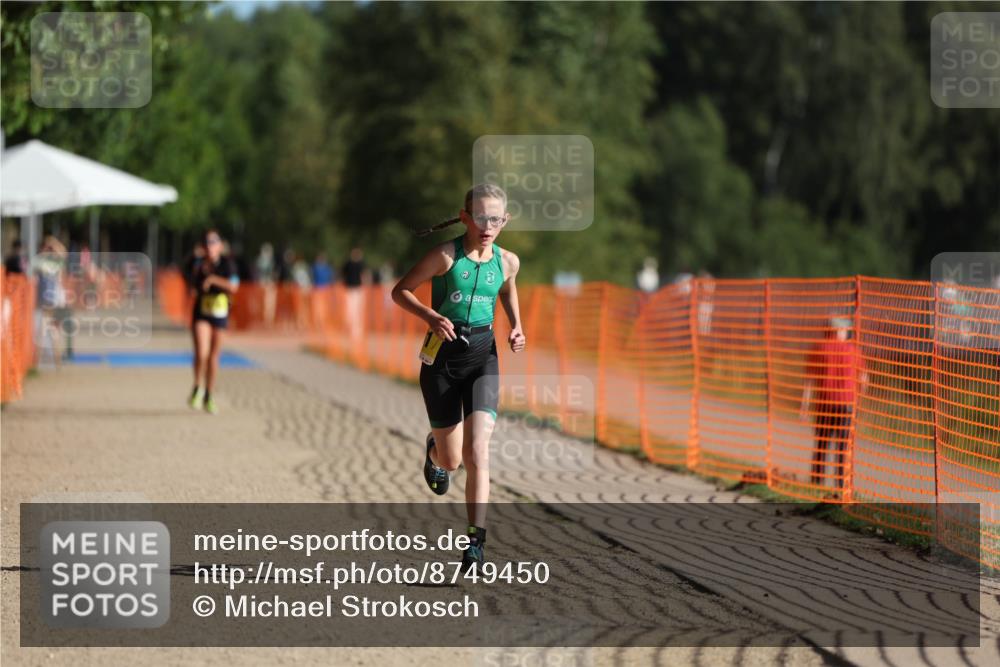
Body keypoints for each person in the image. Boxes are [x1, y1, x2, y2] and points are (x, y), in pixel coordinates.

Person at [391, 183, 526, 573]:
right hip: (443, 362)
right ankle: (434, 450)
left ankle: (476, 544)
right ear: (465, 216)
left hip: (484, 357)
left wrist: (517, 326)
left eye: (495, 219)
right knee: (452, 461)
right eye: (480, 217)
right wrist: (431, 317)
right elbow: (400, 291)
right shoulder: (445, 256)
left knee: (478, 452)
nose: (488, 226)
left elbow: (508, 289)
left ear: (505, 220)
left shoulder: (509, 261)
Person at [801, 317, 867, 495]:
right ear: (840, 331)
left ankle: (816, 482)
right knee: (843, 448)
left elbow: (809, 380)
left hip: (825, 404)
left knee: (821, 444)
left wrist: (804, 406)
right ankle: (841, 485)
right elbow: (864, 379)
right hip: (846, 406)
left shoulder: (819, 347)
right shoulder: (854, 351)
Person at [187, 230, 239, 415]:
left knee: (213, 357)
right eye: (207, 242)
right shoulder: (198, 264)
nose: (210, 245)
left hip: (220, 313)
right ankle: (197, 386)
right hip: (201, 313)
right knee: (202, 352)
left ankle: (209, 394)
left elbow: (234, 285)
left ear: (220, 245)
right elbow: (190, 284)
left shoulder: (227, 264)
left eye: (213, 241)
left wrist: (213, 279)